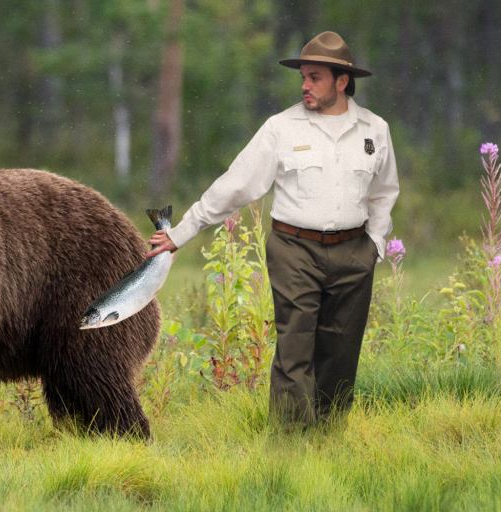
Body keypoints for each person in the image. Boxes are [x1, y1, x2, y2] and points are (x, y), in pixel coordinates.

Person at [146, 31, 399, 427]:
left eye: (315, 77)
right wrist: (182, 232)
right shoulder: (281, 128)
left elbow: (384, 192)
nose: (304, 85)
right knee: (295, 346)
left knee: (341, 350)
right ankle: (289, 446)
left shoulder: (374, 130)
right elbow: (235, 185)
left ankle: (330, 436)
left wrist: (375, 245)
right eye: (303, 76)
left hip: (354, 252)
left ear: (342, 81)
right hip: (294, 249)